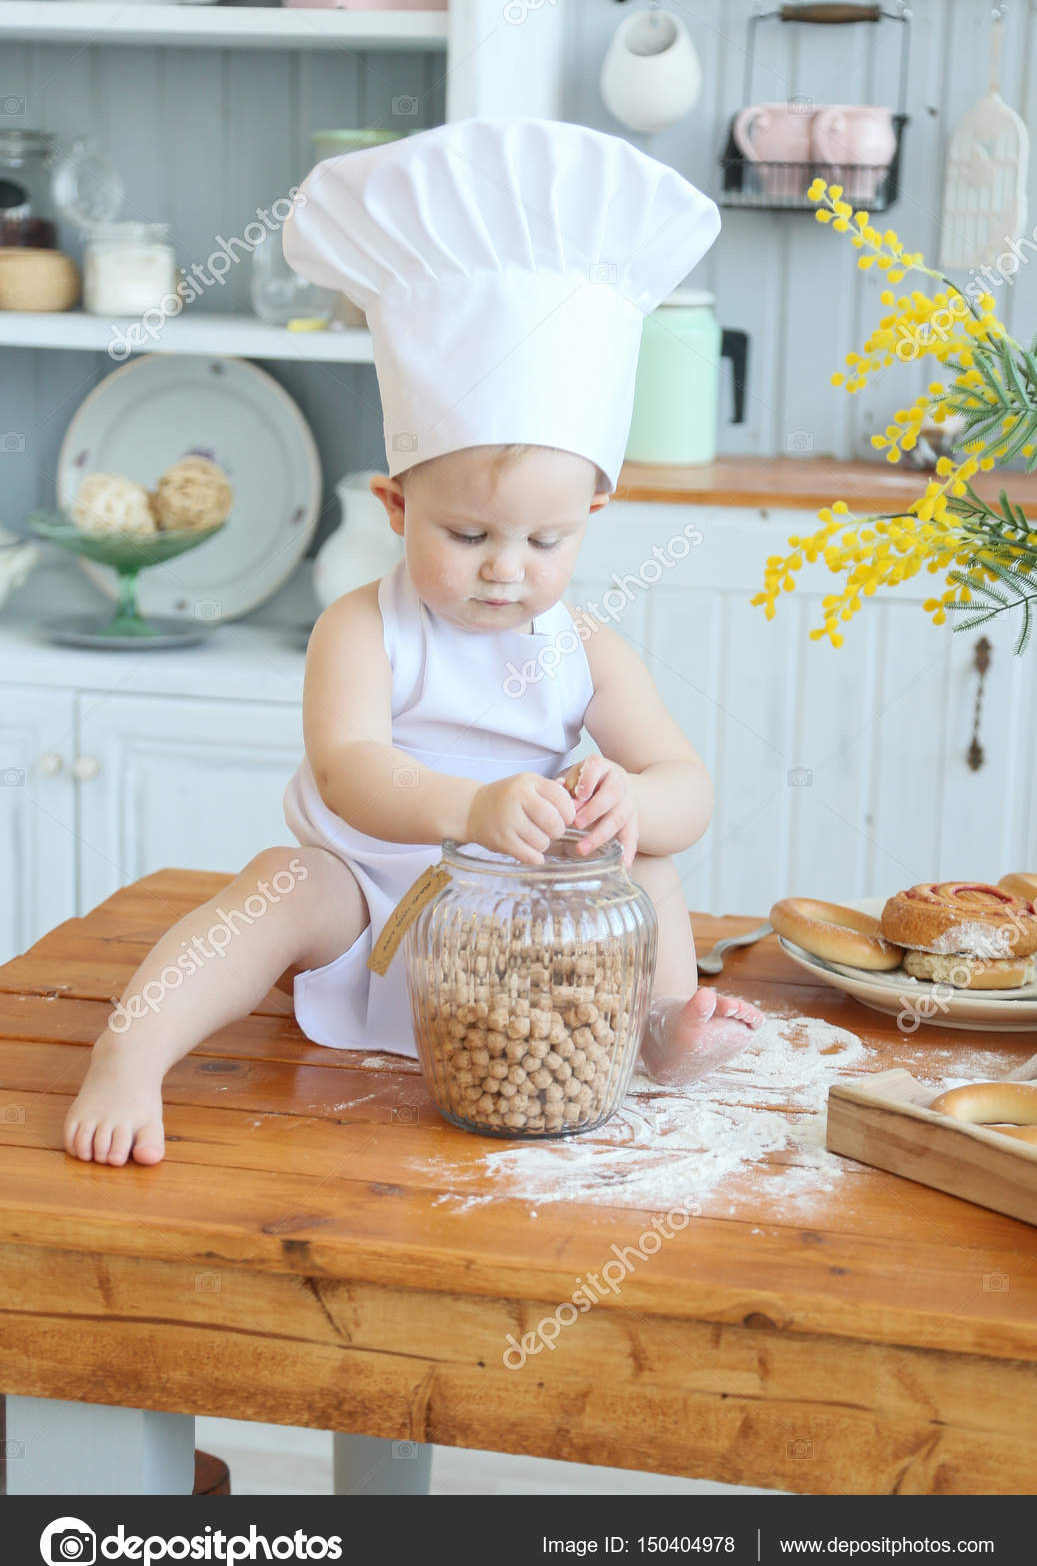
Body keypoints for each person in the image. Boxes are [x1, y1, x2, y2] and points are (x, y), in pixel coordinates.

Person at [64, 117, 764, 1168]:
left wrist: (633, 800)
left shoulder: (586, 646)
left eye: (546, 537)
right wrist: (470, 808)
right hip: (373, 897)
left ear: (595, 510)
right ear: (394, 505)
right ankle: (132, 1047)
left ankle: (661, 1025)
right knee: (278, 878)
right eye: (467, 533)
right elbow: (351, 774)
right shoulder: (362, 627)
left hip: (524, 932)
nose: (505, 568)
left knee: (648, 868)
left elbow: (687, 784)